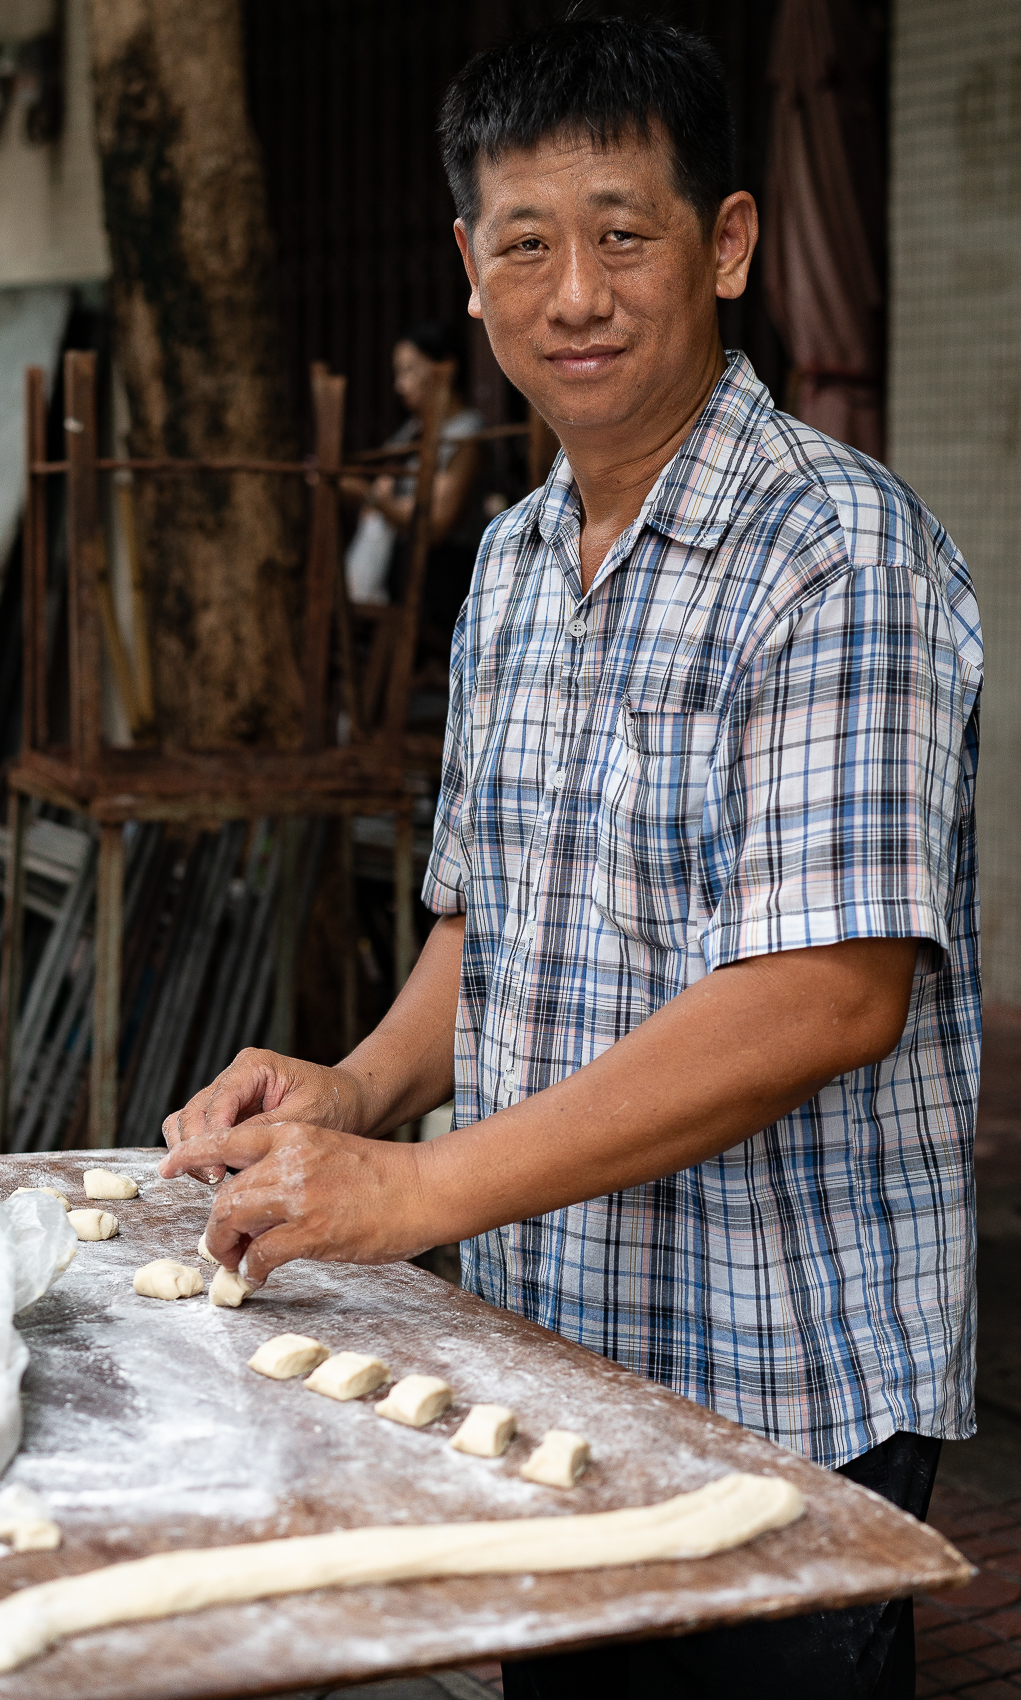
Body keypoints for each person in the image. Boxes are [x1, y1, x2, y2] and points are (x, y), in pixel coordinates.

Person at [160, 17, 981, 1699]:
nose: (575, 294)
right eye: (523, 245)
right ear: (467, 270)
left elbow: (823, 997)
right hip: (546, 1362)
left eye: (622, 233)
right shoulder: (517, 562)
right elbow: (500, 919)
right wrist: (363, 1091)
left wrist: (419, 1191)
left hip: (776, 1393)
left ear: (726, 243)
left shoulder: (832, 550)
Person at [340, 322, 485, 637]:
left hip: (442, 582)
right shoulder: (407, 435)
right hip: (398, 576)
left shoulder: (468, 435)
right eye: (398, 373)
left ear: (445, 368)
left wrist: (373, 498)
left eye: (408, 370)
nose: (399, 385)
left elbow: (435, 522)